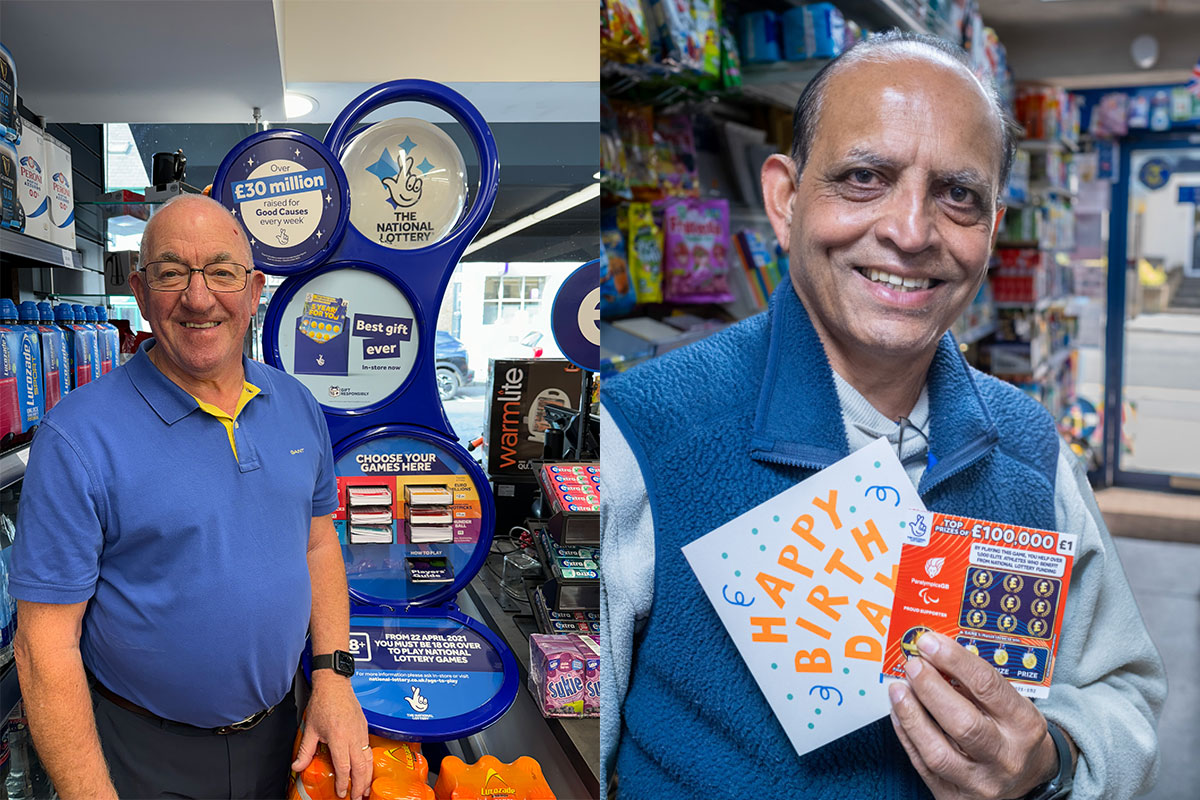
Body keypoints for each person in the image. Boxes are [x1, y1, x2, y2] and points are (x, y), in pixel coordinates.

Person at [599, 32, 1166, 800]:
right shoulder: (641, 436)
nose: (910, 232)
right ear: (786, 198)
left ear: (994, 227)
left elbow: (1118, 692)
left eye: (957, 195)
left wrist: (1051, 761)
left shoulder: (1033, 451)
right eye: (865, 177)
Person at [11, 194, 373, 800]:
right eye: (172, 272)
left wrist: (333, 678)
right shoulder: (77, 435)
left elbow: (316, 544)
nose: (199, 298)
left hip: (283, 735)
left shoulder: (297, 406)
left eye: (222, 273)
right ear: (141, 290)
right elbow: (42, 646)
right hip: (139, 754)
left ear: (253, 289)